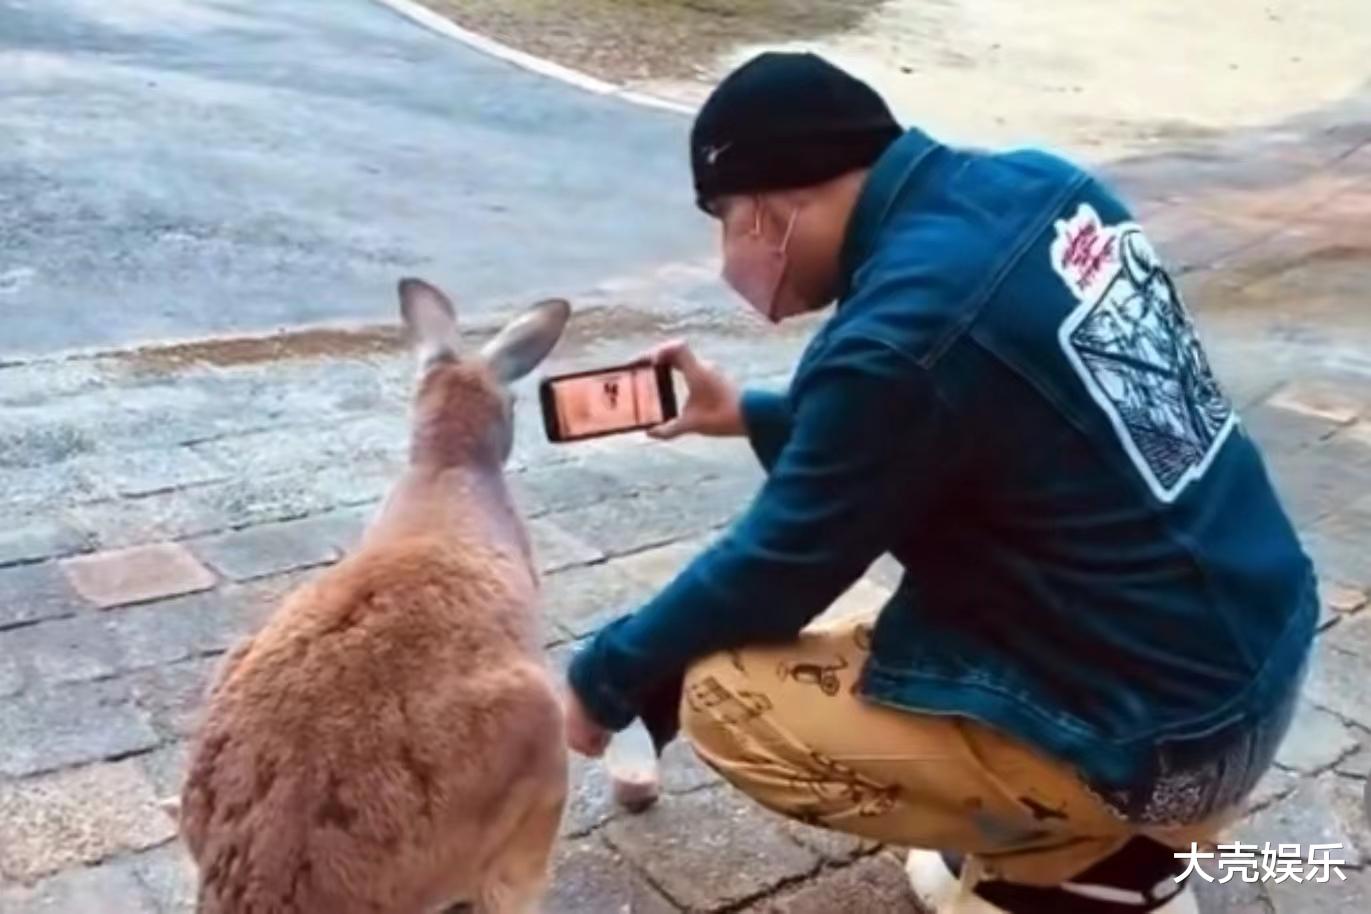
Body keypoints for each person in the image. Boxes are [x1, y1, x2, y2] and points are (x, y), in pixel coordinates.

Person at [563, 52, 1316, 914]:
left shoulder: (896, 339)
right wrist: (747, 411)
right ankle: (1085, 829)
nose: (727, 246)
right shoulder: (1043, 186)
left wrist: (602, 678)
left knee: (729, 695)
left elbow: (774, 564)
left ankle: (1092, 870)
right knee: (912, 635)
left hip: (1167, 739)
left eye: (724, 215)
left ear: (771, 208)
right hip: (1250, 652)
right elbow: (941, 414)